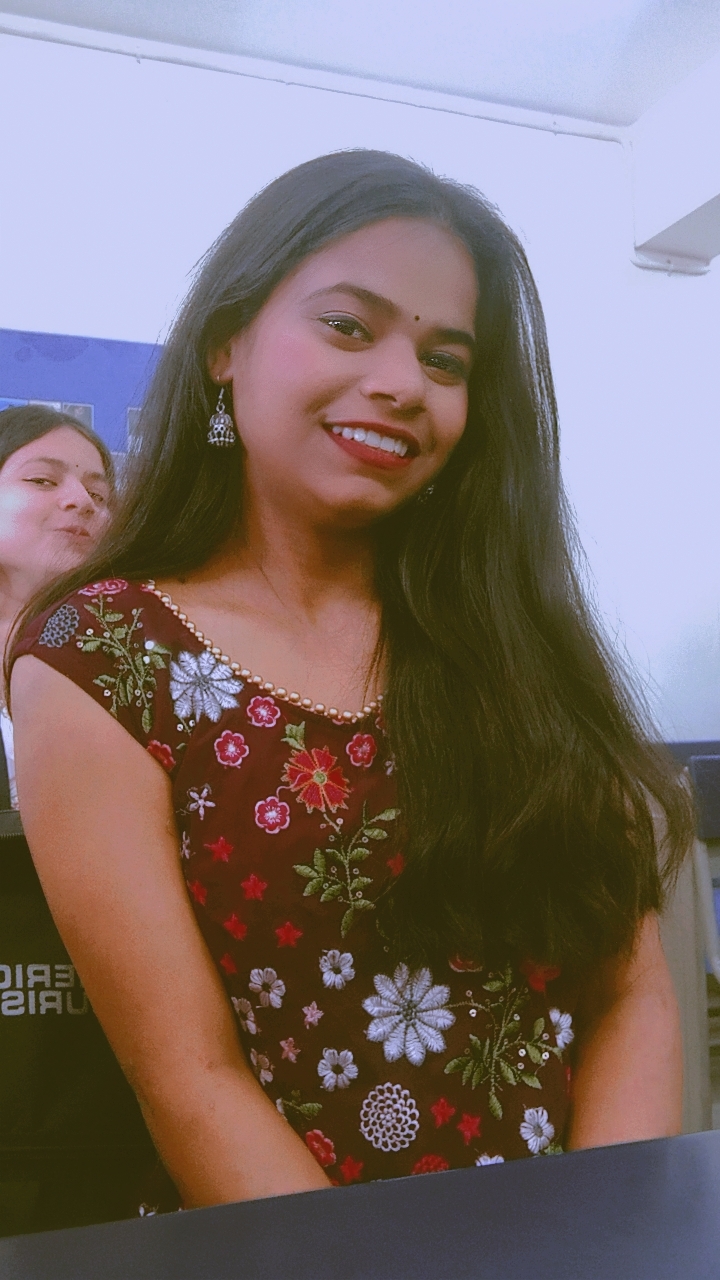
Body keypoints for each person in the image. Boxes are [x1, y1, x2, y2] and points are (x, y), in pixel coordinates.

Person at [9, 152, 693, 1209]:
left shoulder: (512, 634)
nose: (403, 383)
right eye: (347, 325)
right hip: (284, 1247)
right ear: (226, 343)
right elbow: (190, 1077)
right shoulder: (102, 653)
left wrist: (607, 1242)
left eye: (447, 359)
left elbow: (629, 995)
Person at [0, 405, 160, 1236]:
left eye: (100, 491)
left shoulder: (146, 674)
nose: (82, 501)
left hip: (103, 1106)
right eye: (43, 478)